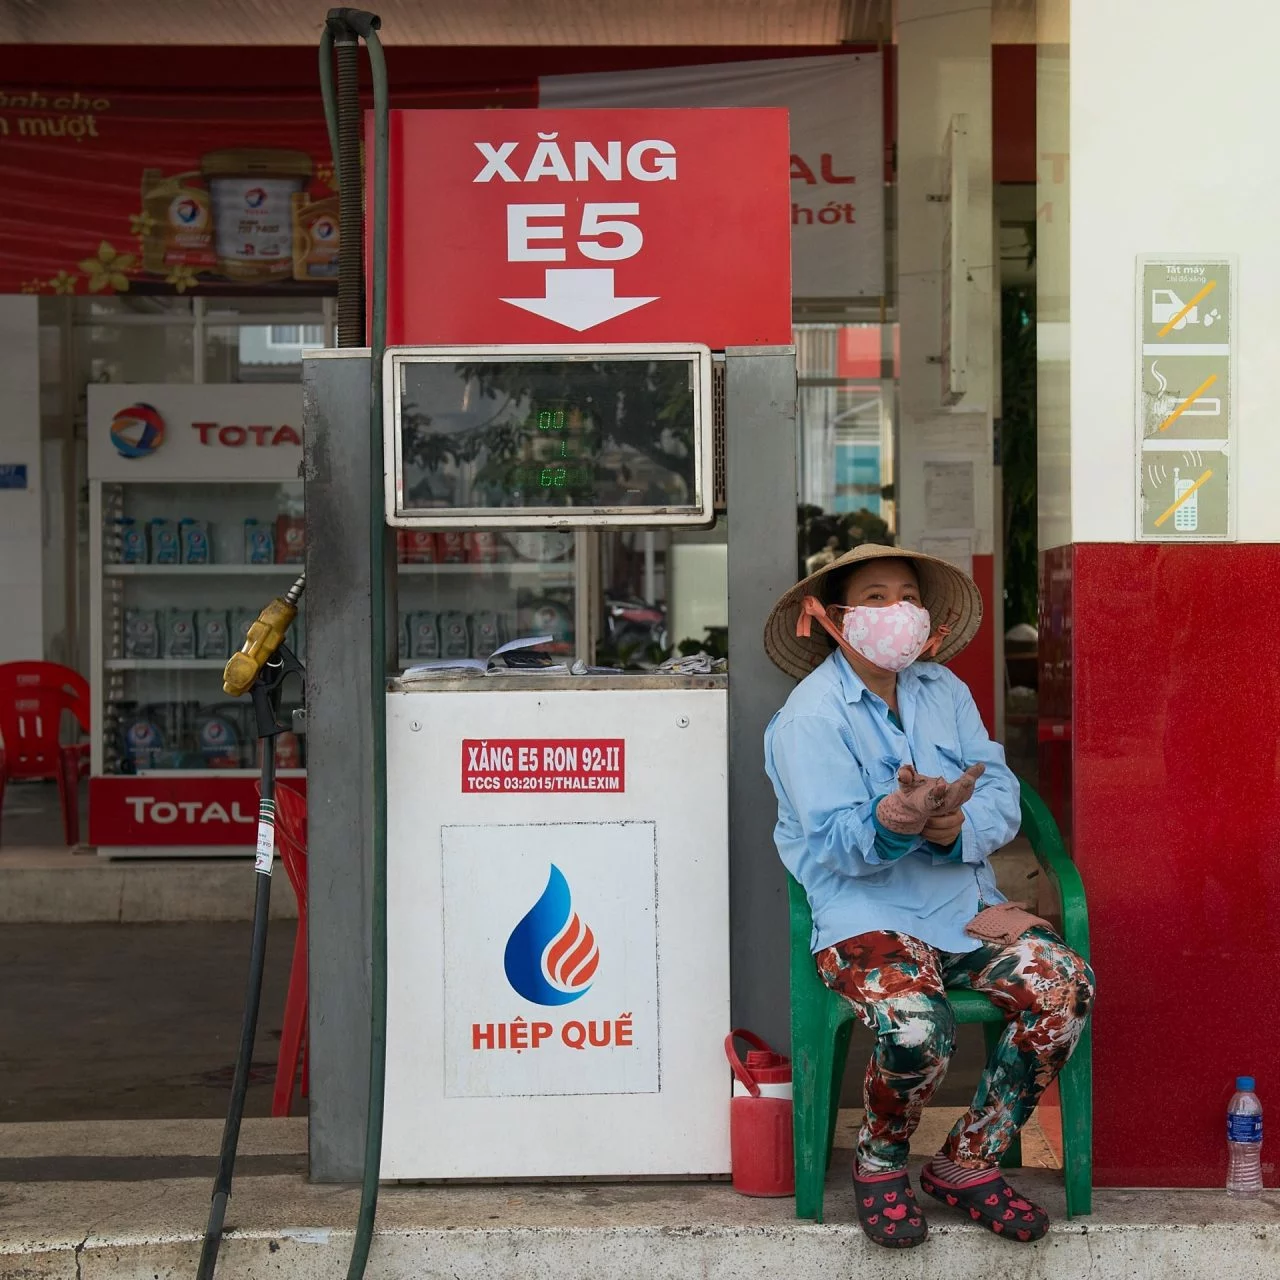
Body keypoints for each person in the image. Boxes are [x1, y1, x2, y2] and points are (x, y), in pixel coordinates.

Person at [762, 543, 1094, 1249]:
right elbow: (836, 846)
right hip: (867, 920)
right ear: (831, 618)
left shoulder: (942, 690)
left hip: (965, 914)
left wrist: (951, 827)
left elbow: (1001, 792)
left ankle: (968, 1161)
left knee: (1064, 987)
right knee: (920, 1028)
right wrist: (896, 818)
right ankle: (881, 1161)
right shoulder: (807, 720)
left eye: (906, 596)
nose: (895, 612)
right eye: (874, 598)